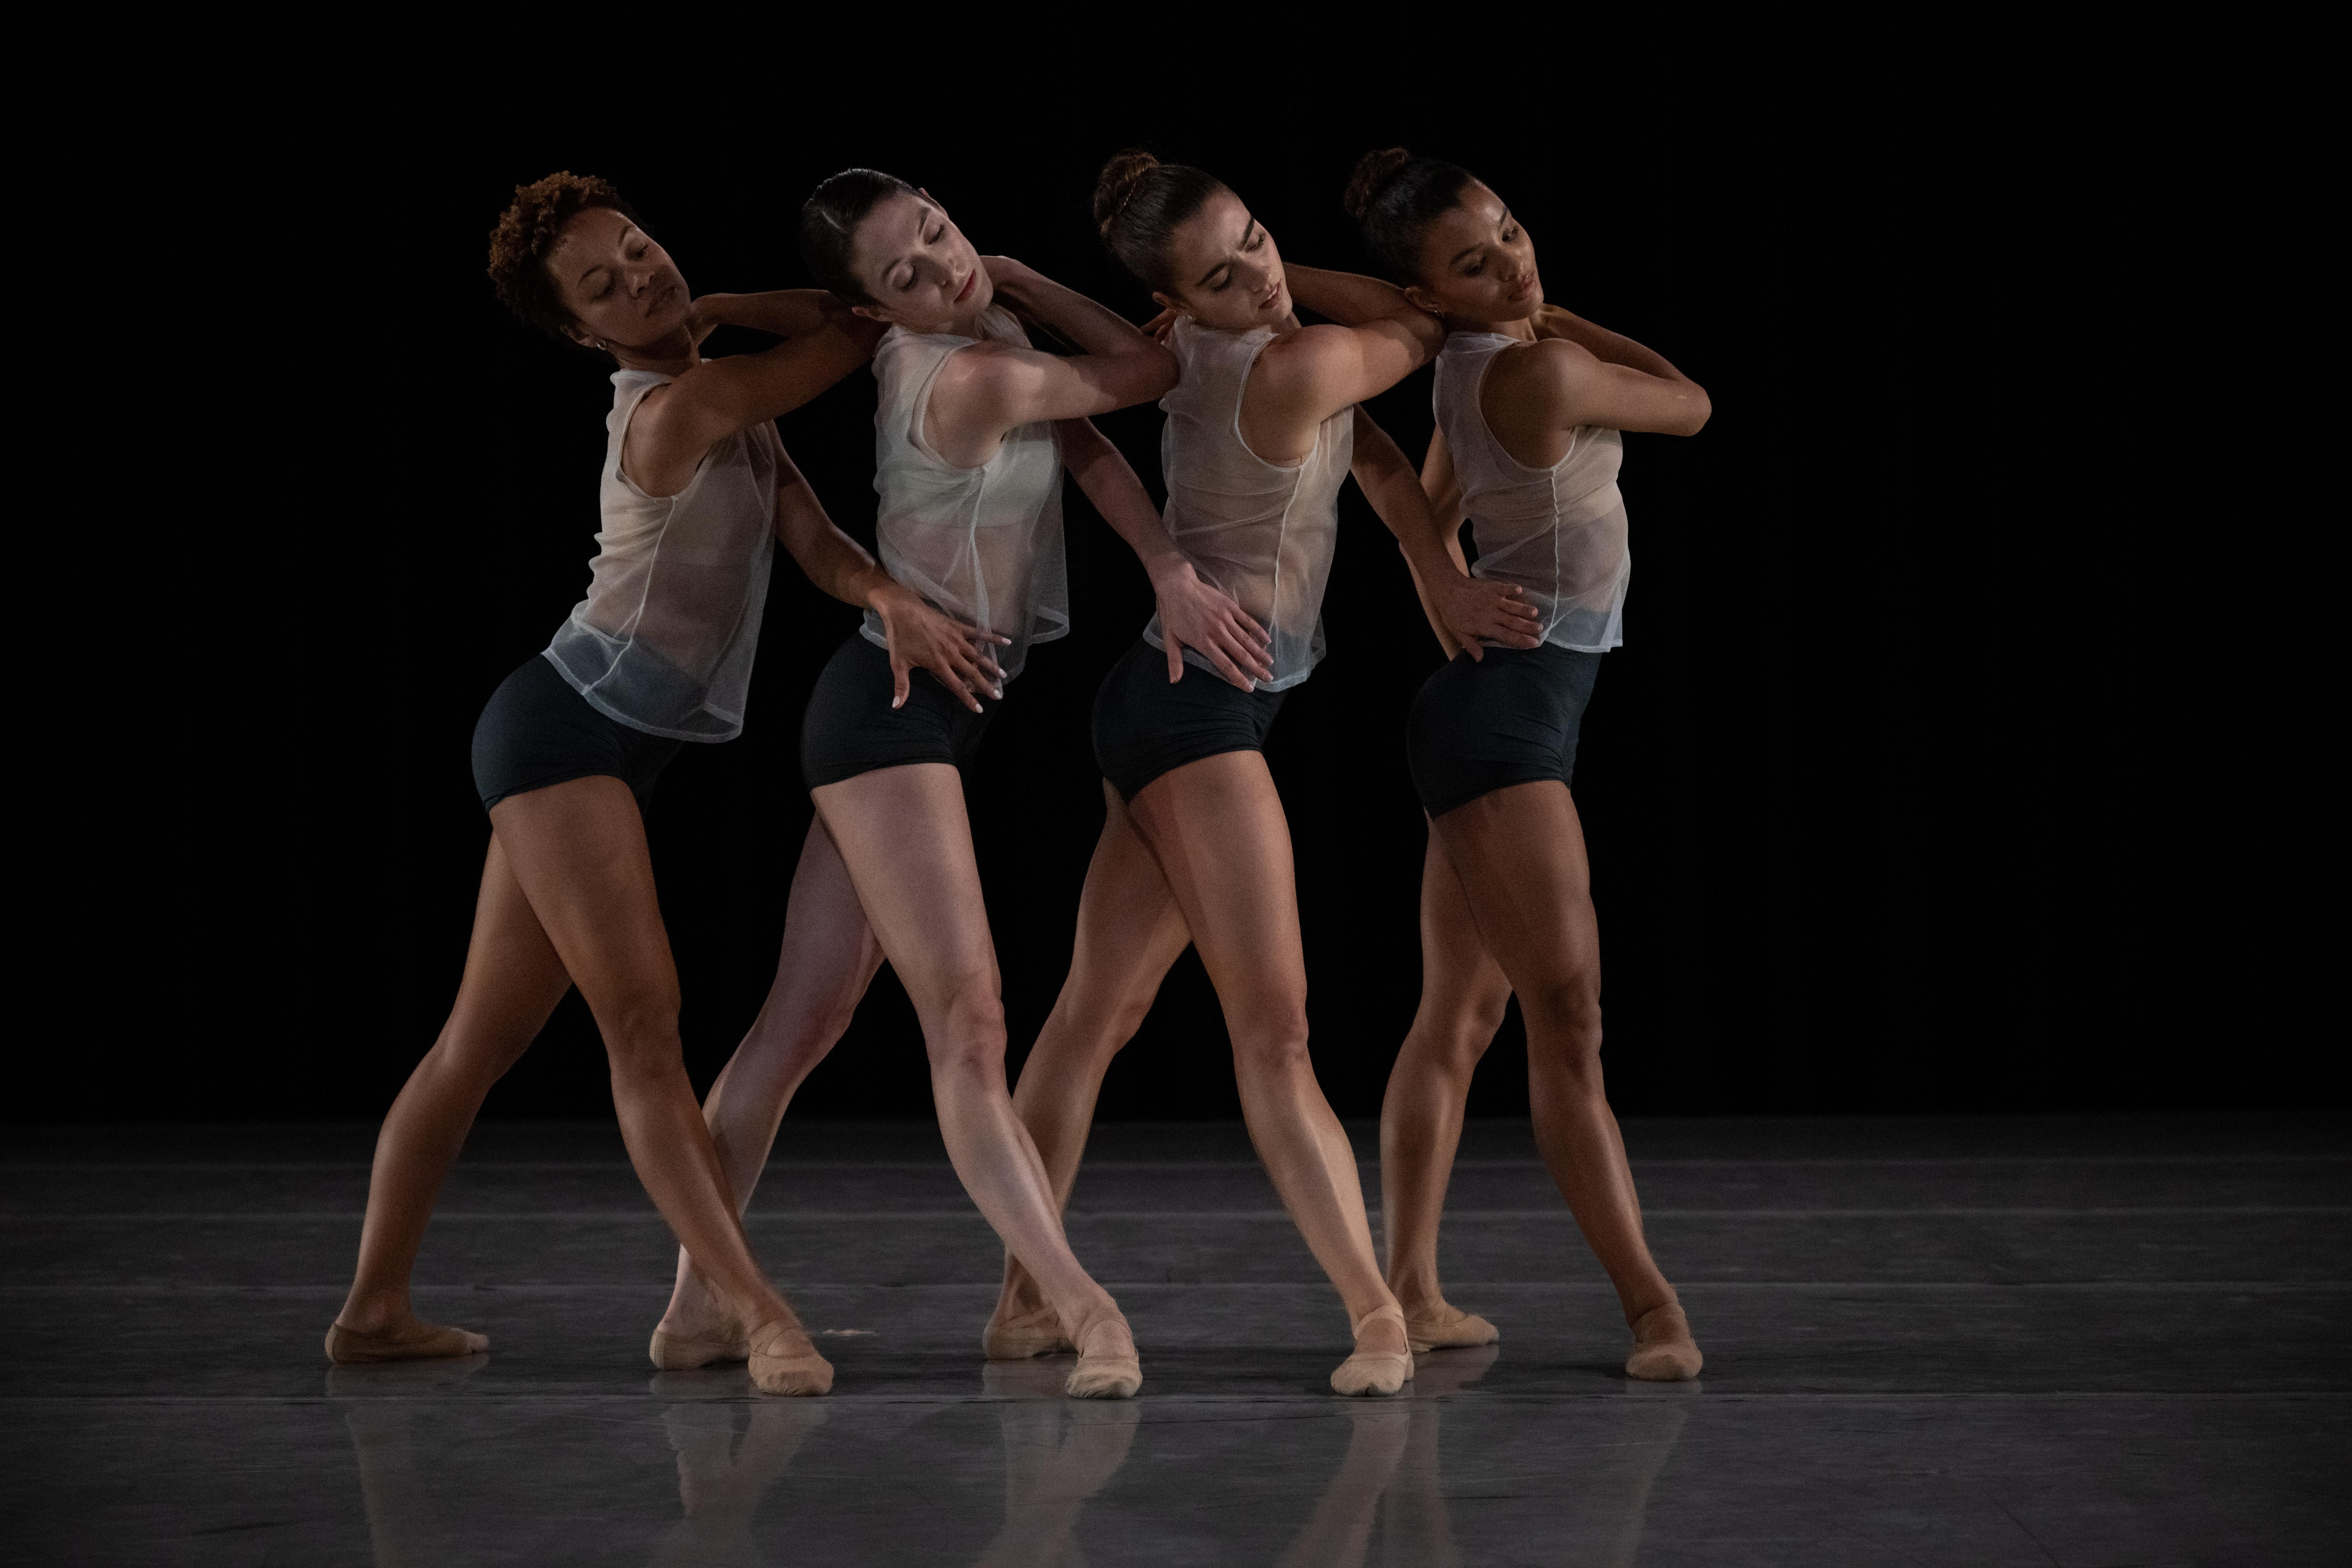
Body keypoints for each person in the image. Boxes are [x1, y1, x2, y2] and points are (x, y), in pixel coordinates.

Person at [328, 172, 992, 1396]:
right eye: (606, 286)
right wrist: (736, 303)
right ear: (586, 334)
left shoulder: (725, 398)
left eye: (637, 249)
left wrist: (890, 597)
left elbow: (809, 532)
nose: (642, 276)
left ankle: (373, 1311)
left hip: (598, 741)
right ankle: (756, 1316)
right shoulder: (683, 404)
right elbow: (856, 328)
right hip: (563, 731)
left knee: (475, 1042)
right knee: (644, 1029)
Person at [651, 169, 1269, 1400]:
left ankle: (692, 1314)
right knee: (970, 1025)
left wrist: (1162, 570)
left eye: (938, 234)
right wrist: (1029, 278)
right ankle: (1079, 1308)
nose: (946, 272)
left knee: (800, 1023)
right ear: (878, 307)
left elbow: (1087, 450)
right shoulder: (977, 372)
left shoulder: (963, 332)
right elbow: (1147, 379)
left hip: (924, 703)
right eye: (908, 276)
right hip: (893, 706)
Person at [985, 152, 1543, 1397]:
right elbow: (1429, 316)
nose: (1265, 280)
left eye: (1258, 241)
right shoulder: (1292, 367)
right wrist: (1400, 291)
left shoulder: (1212, 349)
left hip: (1169, 701)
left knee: (1096, 1015)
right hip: (1199, 714)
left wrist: (1436, 577)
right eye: (1226, 280)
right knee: (1276, 1032)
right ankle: (1378, 1314)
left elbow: (1383, 465)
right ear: (1183, 308)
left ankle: (1022, 1305)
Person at [1300, 149, 1714, 1380]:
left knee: (1461, 1014)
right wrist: (1550, 313)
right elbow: (1691, 400)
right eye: (1472, 265)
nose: (1514, 263)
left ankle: (1415, 1291)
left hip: (1497, 709)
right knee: (1567, 1018)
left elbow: (1421, 504)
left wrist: (1446, 587)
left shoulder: (1470, 369)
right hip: (1506, 727)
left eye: (1514, 234)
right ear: (1433, 294)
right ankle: (1652, 1308)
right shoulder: (1541, 366)